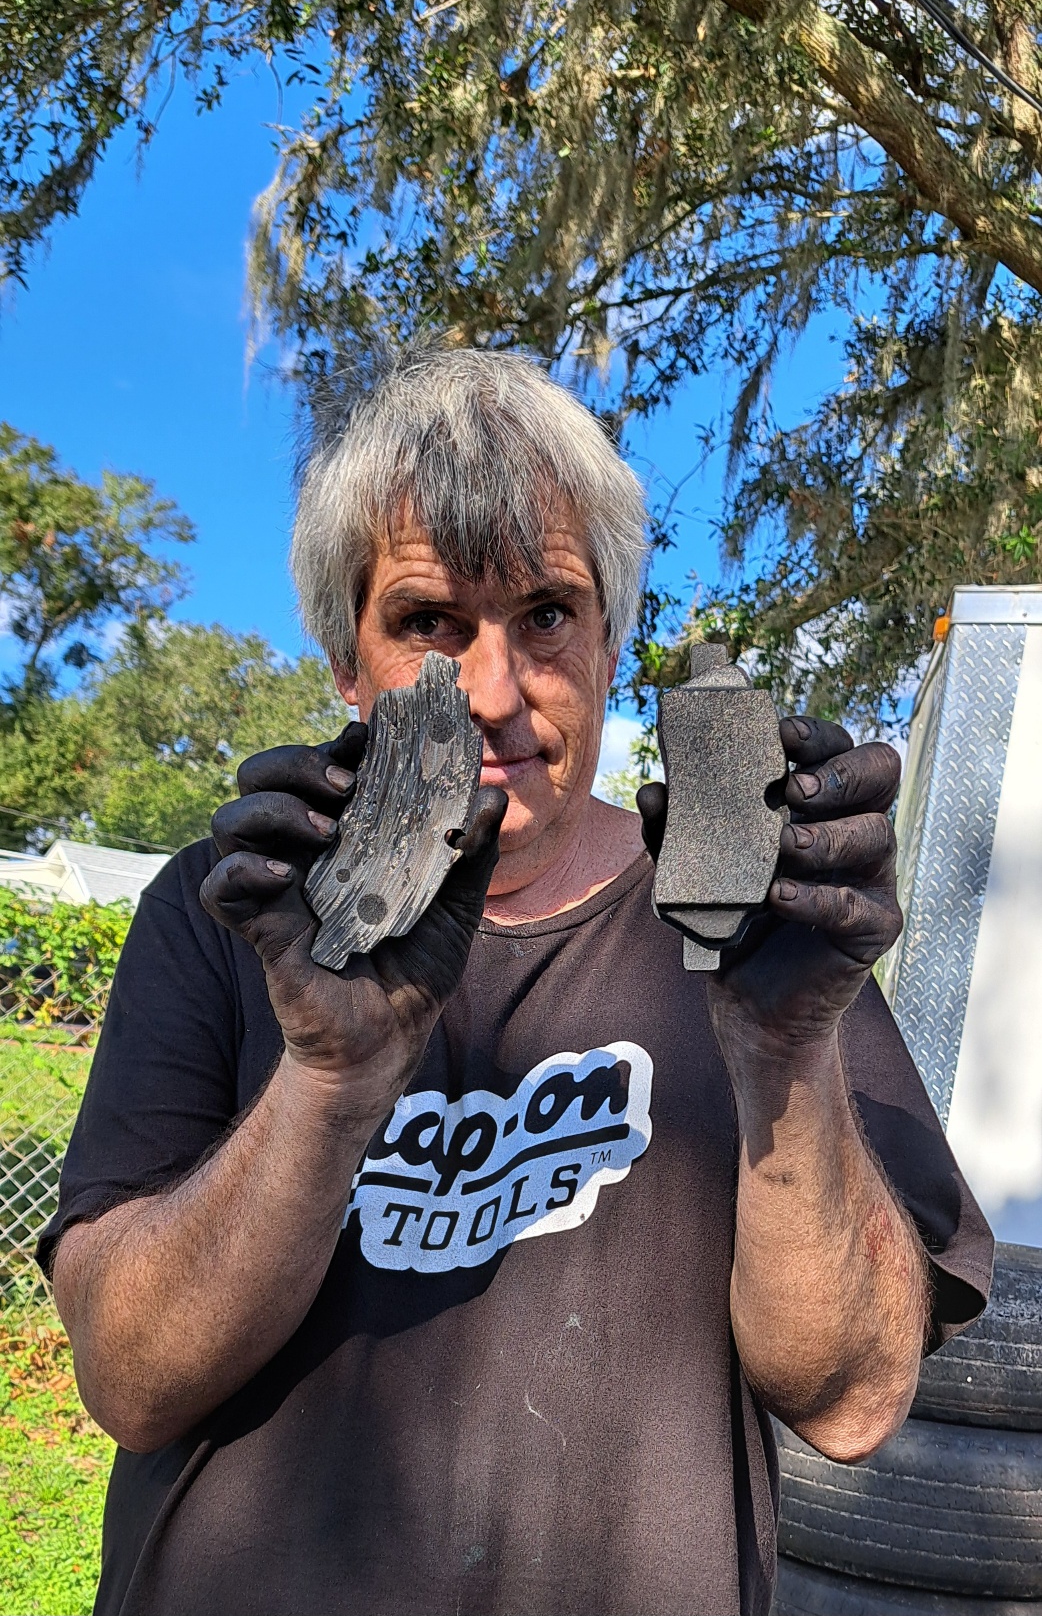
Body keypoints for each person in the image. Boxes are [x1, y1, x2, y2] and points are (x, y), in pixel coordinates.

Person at [41, 349, 992, 1616]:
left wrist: (785, 1047)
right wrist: (330, 1078)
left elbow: (854, 1401)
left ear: (610, 645)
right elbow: (131, 1378)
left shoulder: (761, 934)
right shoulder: (225, 913)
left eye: (545, 612)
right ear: (345, 658)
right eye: (429, 622)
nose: (493, 692)